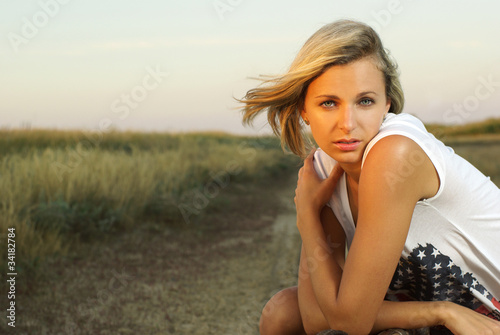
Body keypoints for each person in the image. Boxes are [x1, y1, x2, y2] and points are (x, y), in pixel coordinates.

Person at [239, 19, 500, 335]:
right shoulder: (322, 171)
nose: (347, 123)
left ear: (386, 103)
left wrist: (444, 312)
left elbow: (351, 320)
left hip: (488, 321)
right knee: (282, 313)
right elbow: (318, 319)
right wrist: (308, 216)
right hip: (445, 321)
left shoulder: (396, 153)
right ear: (304, 109)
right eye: (329, 103)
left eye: (365, 101)